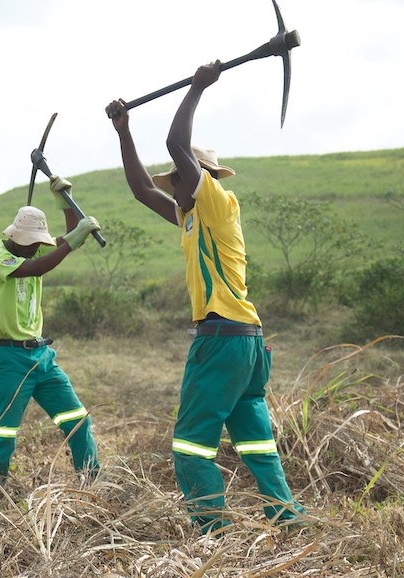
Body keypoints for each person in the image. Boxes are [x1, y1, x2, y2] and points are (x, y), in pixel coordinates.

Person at [105, 60, 305, 534]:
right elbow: (139, 189)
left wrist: (197, 87)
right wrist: (123, 130)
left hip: (221, 340)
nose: (171, 186)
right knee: (255, 441)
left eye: (177, 178)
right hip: (246, 343)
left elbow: (177, 145)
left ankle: (212, 533)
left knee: (191, 447)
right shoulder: (191, 218)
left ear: (196, 176)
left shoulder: (215, 201)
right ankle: (290, 520)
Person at [0, 180, 102, 503]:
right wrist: (73, 241)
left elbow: (59, 245)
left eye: (38, 244)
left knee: (77, 421)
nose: (35, 248)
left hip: (42, 358)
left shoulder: (32, 251)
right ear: (14, 237)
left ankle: (93, 487)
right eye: (31, 243)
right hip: (9, 360)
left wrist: (65, 202)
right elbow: (35, 267)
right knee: (3, 436)